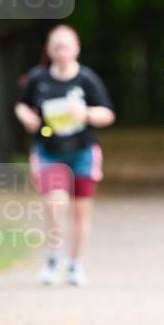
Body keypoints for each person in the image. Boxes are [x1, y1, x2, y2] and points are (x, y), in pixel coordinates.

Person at [15, 24, 115, 286]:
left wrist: (86, 114)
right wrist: (27, 117)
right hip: (49, 152)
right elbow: (21, 105)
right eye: (56, 47)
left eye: (66, 46)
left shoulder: (87, 79)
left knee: (81, 212)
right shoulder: (38, 78)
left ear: (76, 48)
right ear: (49, 49)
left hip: (82, 151)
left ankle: (75, 263)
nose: (61, 52)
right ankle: (53, 255)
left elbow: (107, 114)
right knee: (55, 204)